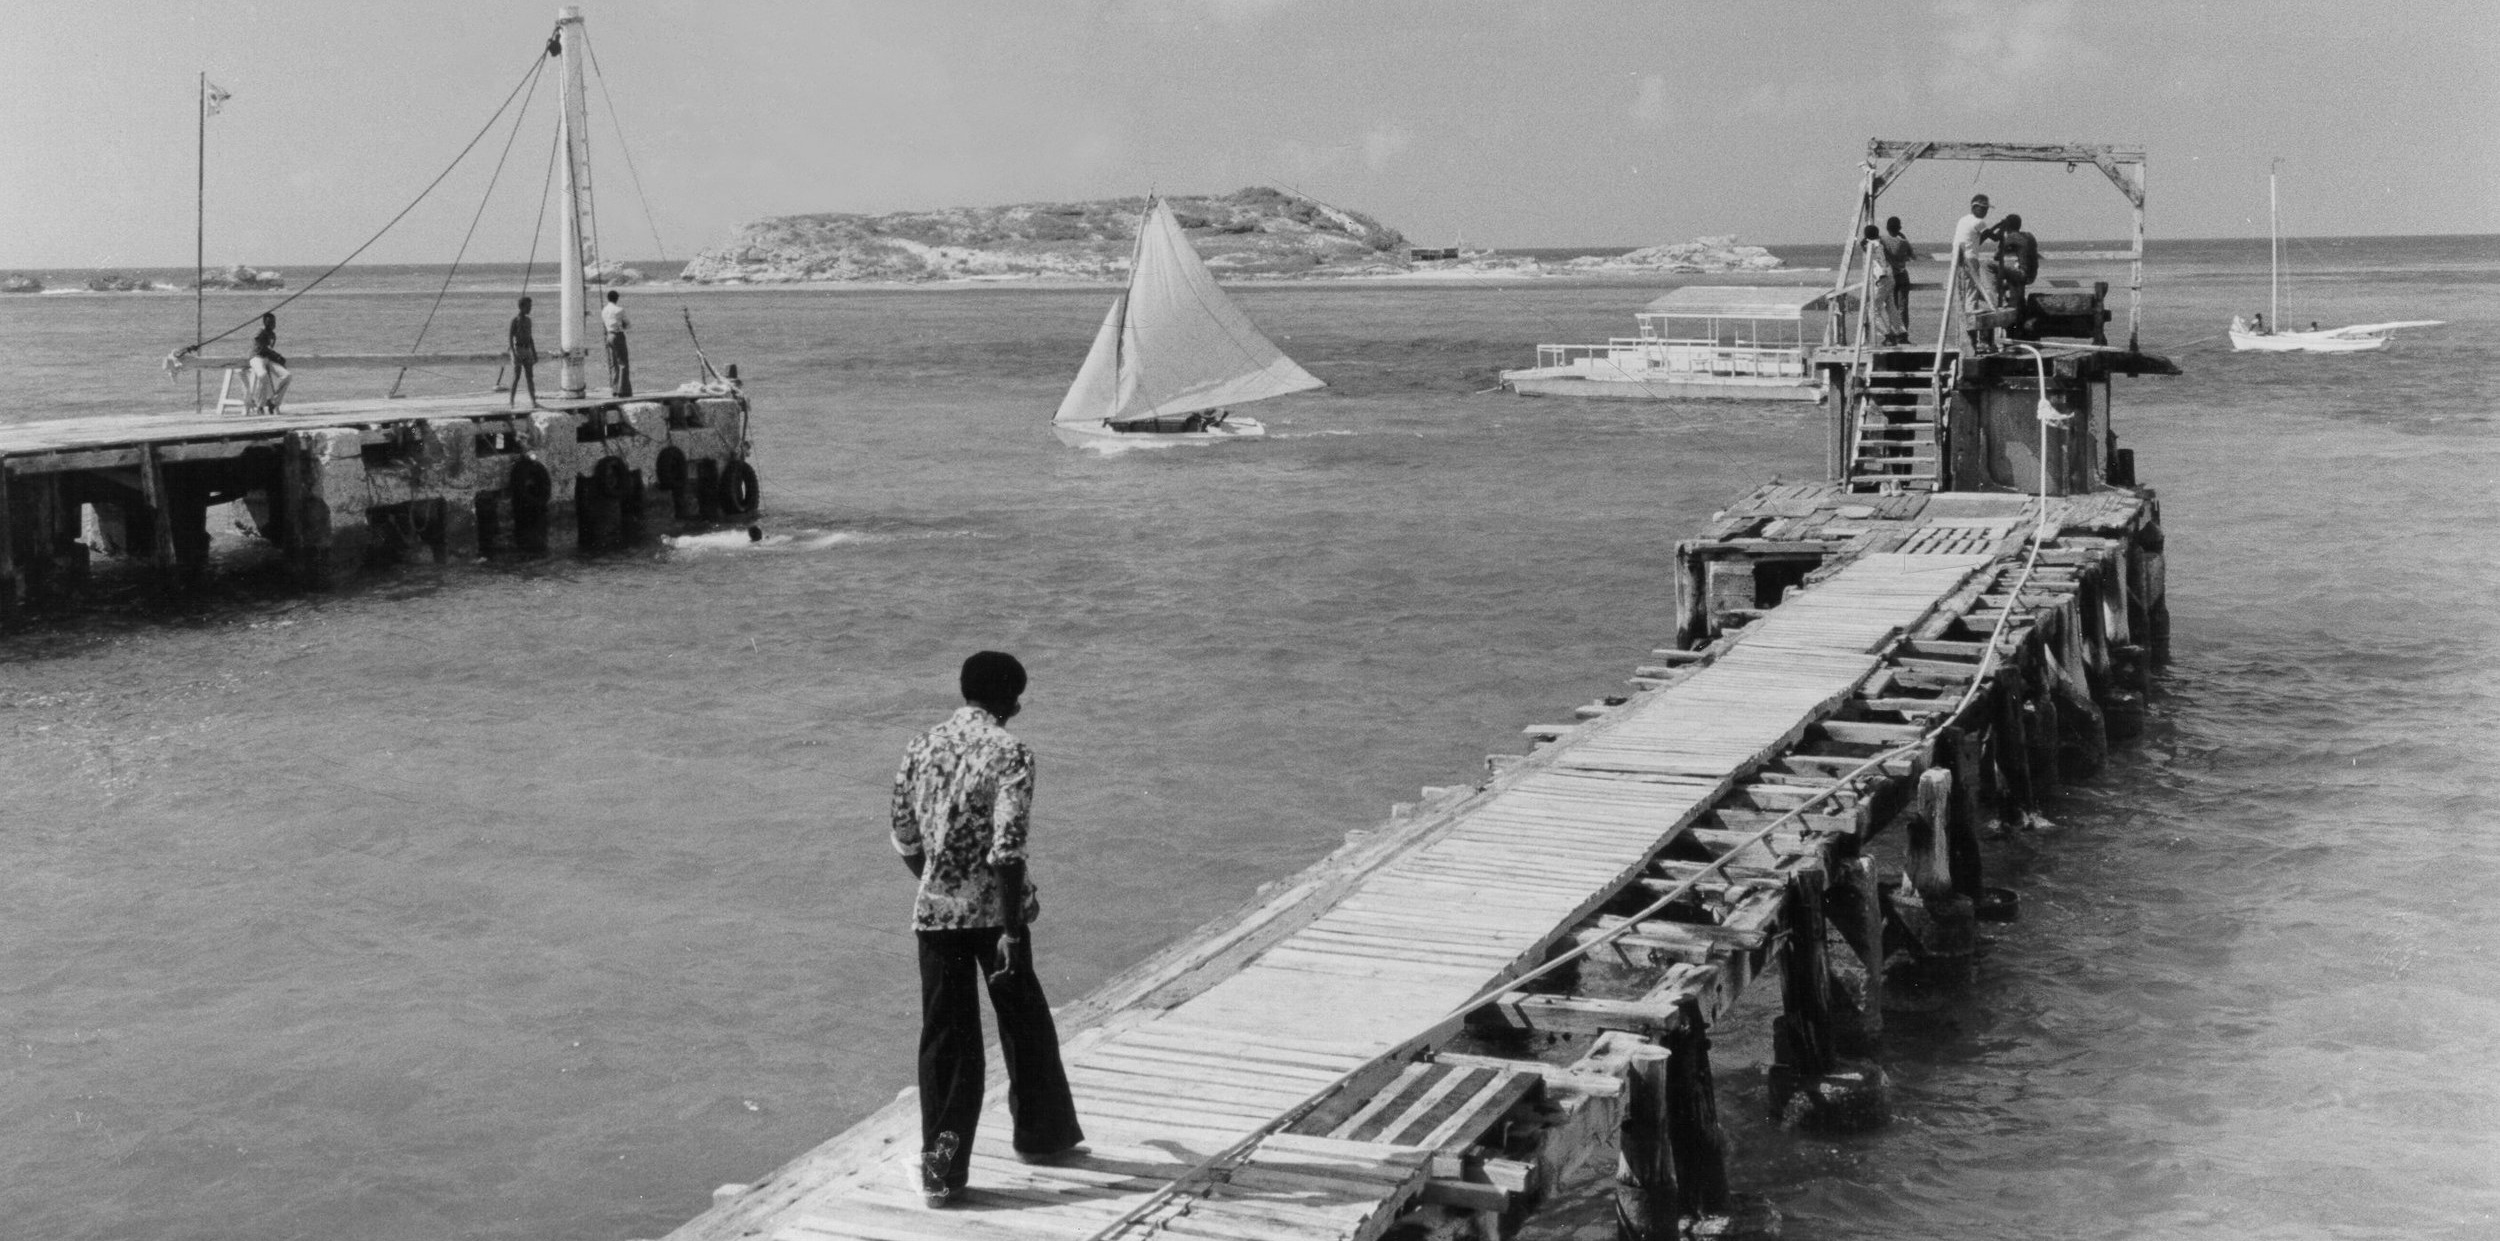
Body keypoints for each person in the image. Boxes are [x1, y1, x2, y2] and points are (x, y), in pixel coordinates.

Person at [890, 651, 1085, 1208]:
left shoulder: (920, 745)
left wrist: (940, 883)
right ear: (1011, 701)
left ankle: (942, 1175)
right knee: (1024, 1019)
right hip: (997, 915)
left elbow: (905, 837)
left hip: (936, 915)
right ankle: (1042, 1138)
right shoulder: (1012, 753)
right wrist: (1012, 929)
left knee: (948, 1043)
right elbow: (1007, 850)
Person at [1950, 194, 2003, 317]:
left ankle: (1965, 308)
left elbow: (1982, 238)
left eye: (1986, 209)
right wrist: (2002, 228)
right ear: (1974, 207)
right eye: (1983, 209)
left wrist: (1996, 226)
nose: (1985, 212)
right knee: (1972, 285)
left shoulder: (1963, 220)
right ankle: (1971, 309)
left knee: (1965, 284)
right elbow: (1995, 238)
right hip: (1970, 257)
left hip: (1958, 257)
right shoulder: (1979, 222)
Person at [1992, 213, 2040, 331]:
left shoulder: (2012, 237)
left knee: (1988, 265)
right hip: (2032, 274)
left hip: (2022, 274)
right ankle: (2011, 304)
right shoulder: (2029, 235)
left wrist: (2001, 231)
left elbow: (1996, 256)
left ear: (2007, 227)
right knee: (2010, 286)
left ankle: (1992, 294)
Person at [1862, 225, 1904, 345]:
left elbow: (1866, 248)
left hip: (1881, 279)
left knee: (1872, 309)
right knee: (1891, 306)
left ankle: (1887, 335)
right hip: (1890, 277)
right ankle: (1900, 332)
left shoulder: (1872, 245)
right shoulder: (1881, 243)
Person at [1879, 217, 1916, 345]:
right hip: (1902, 276)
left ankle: (1892, 335)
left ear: (1887, 228)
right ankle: (1903, 336)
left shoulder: (1882, 241)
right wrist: (1903, 236)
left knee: (1890, 307)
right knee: (1902, 307)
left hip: (1889, 276)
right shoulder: (1903, 243)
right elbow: (1913, 256)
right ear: (1899, 228)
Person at [246, 311, 291, 414]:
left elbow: (269, 350)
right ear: (264, 322)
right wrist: (277, 355)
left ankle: (274, 402)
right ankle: (260, 405)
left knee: (287, 376)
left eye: (273, 322)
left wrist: (279, 359)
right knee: (262, 374)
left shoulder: (273, 335)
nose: (272, 324)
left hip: (267, 359)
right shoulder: (260, 332)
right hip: (256, 357)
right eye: (269, 322)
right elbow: (261, 347)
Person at [507, 296, 540, 408]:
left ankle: (533, 401)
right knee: (516, 376)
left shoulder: (528, 321)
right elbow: (510, 337)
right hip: (518, 349)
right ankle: (511, 401)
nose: (530, 308)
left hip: (527, 350)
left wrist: (534, 353)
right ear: (522, 307)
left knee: (530, 377)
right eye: (528, 306)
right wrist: (513, 352)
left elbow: (530, 338)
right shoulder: (515, 320)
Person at [601, 289, 632, 397]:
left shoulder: (604, 310)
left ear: (608, 298)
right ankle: (623, 390)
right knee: (623, 363)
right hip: (618, 335)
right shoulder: (619, 310)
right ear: (617, 298)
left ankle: (614, 389)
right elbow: (628, 325)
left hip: (609, 336)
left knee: (613, 364)